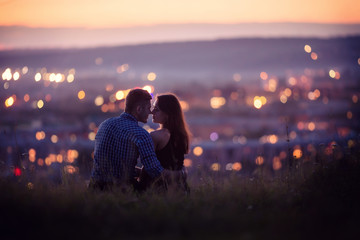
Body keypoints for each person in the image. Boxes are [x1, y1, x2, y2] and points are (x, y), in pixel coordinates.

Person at [89, 88, 165, 191]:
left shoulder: (104, 125)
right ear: (139, 109)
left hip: (95, 188)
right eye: (148, 108)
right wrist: (178, 175)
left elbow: (113, 164)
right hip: (122, 190)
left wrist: (136, 172)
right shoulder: (140, 134)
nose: (150, 112)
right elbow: (154, 170)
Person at [139, 93, 191, 194]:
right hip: (180, 190)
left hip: (158, 191)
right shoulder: (182, 136)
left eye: (156, 109)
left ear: (167, 114)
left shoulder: (156, 136)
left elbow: (148, 170)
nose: (151, 111)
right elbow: (176, 166)